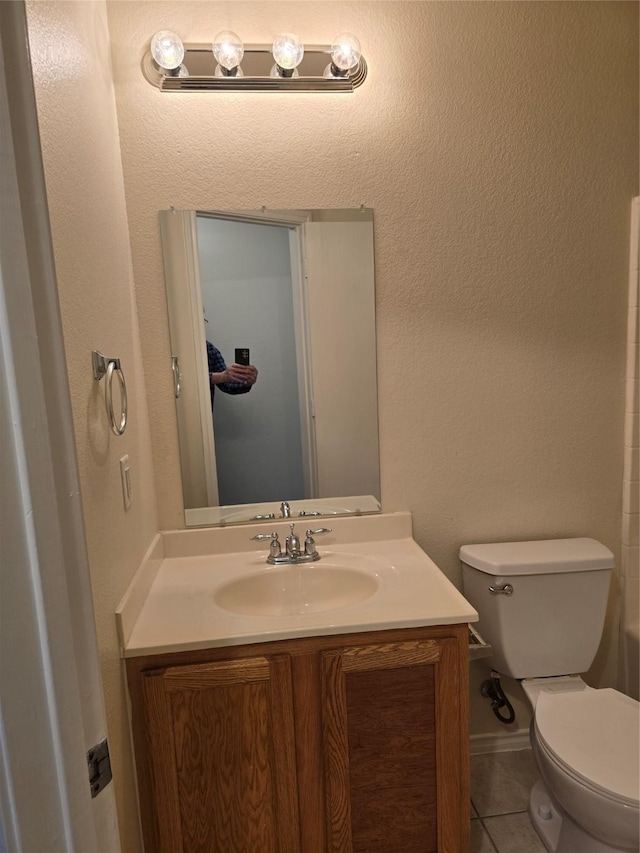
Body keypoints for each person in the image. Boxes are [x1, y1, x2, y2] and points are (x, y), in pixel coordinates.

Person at [206, 341, 258, 407]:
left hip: (204, 413)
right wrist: (220, 377)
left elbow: (226, 385)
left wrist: (246, 381)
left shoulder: (207, 348)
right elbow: (190, 380)